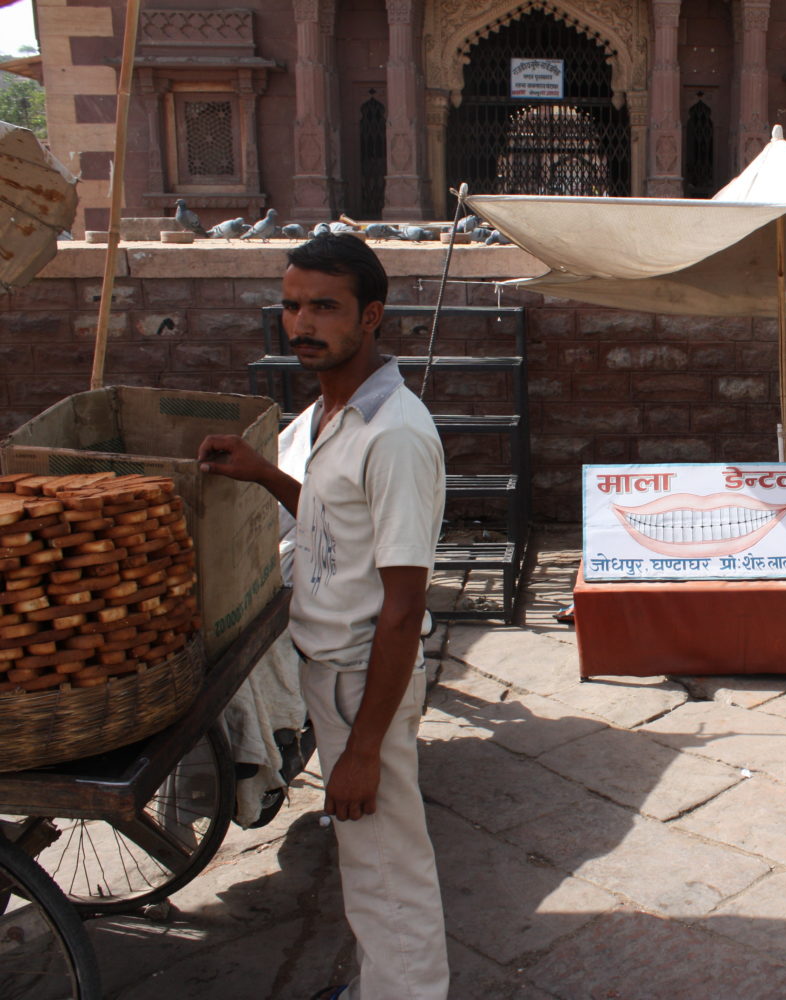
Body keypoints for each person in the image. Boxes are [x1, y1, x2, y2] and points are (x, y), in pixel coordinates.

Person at [197, 234, 449, 999]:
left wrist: (363, 749)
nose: (302, 322)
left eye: (324, 307)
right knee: (371, 859)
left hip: (362, 674)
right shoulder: (331, 412)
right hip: (333, 672)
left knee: (386, 866)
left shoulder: (395, 434)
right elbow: (338, 529)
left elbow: (404, 608)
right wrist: (267, 472)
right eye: (292, 304)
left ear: (370, 316)